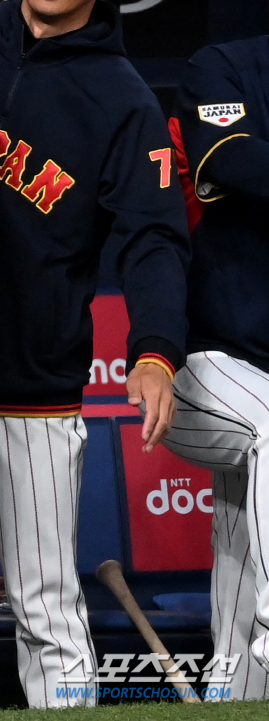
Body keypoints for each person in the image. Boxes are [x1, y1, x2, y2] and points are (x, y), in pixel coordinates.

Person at [0, 0, 190, 708]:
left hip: (31, 380)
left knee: (46, 603)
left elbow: (154, 237)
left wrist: (154, 349)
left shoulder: (121, 99)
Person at [163, 37, 269, 701]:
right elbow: (228, 155)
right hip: (205, 361)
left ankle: (235, 691)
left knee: (241, 518)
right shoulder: (226, 66)